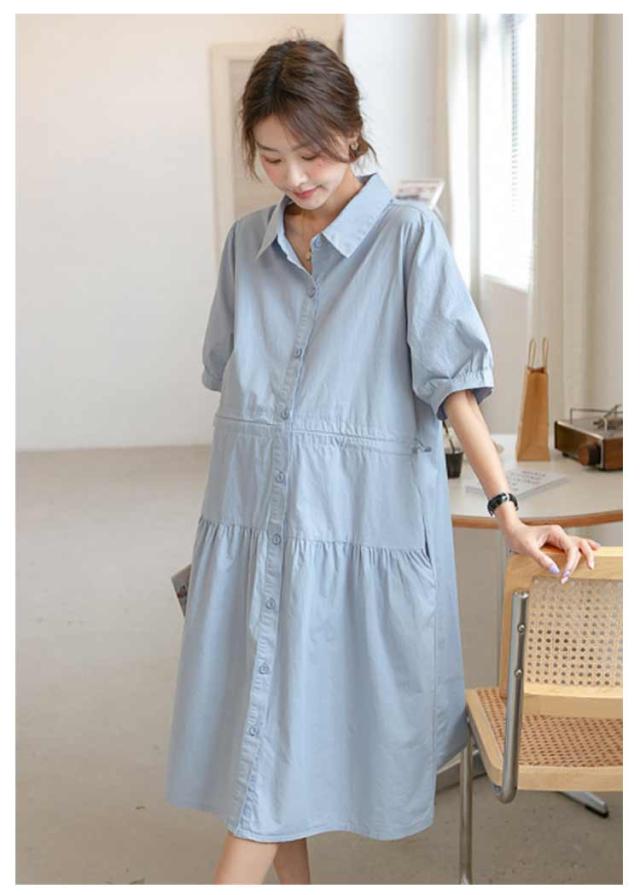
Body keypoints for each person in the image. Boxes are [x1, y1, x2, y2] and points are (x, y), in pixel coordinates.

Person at [165, 35, 601, 885]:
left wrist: (507, 510)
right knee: (266, 744)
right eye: (272, 158)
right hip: (253, 524)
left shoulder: (408, 238)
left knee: (271, 759)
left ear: (353, 132)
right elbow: (229, 373)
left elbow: (453, 389)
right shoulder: (244, 246)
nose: (296, 177)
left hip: (351, 528)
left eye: (313, 154)